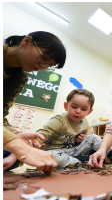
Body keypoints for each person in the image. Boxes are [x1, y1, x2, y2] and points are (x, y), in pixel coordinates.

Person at [3, 31, 66, 174]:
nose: (44, 66)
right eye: (44, 58)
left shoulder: (20, 78)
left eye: (50, 65)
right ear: (26, 41)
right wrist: (21, 148)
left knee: (16, 156)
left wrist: (17, 136)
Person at [35, 89, 102, 168]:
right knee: (51, 157)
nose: (78, 111)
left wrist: (78, 141)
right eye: (74, 107)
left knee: (94, 137)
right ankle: (81, 161)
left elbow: (80, 142)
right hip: (54, 151)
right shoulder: (59, 119)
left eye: (83, 109)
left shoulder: (85, 122)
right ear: (66, 106)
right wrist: (35, 143)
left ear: (89, 112)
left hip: (72, 150)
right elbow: (42, 133)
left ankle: (104, 156)